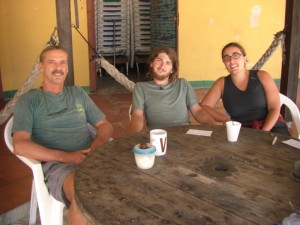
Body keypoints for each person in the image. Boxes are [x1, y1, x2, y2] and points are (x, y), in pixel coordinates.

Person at [11, 45, 113, 225]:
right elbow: (20, 145)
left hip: (93, 156)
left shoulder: (77, 93)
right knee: (85, 194)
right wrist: (69, 157)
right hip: (58, 165)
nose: (58, 68)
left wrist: (96, 149)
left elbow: (104, 125)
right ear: (40, 67)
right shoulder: (29, 100)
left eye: (62, 62)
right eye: (51, 62)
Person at [200, 42, 290, 135]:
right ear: (224, 63)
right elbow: (204, 106)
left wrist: (263, 133)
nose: (231, 60)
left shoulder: (262, 76)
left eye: (236, 55)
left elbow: (274, 108)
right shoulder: (222, 83)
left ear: (245, 58)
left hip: (271, 127)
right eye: (226, 57)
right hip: (242, 131)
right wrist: (223, 118)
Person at [129, 46, 218, 133]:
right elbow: (137, 115)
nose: (162, 66)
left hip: (184, 133)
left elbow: (197, 110)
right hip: (158, 135)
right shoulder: (141, 87)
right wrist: (134, 136)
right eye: (159, 60)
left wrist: (213, 125)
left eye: (168, 63)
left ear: (172, 69)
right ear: (152, 63)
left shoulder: (182, 84)